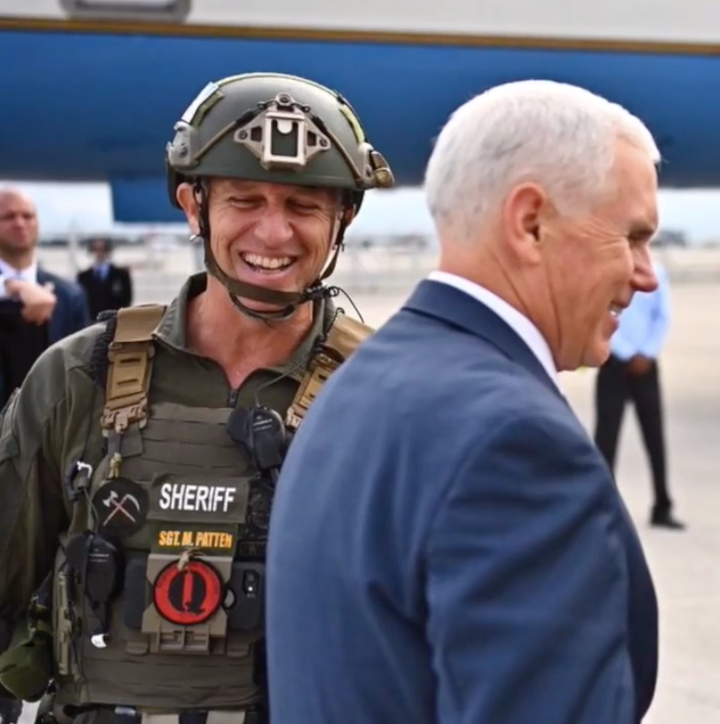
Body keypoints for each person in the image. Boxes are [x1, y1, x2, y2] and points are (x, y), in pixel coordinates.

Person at [0, 72, 393, 724]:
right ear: (193, 205)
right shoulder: (77, 376)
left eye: (304, 207)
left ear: (343, 217)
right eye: (245, 200)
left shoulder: (385, 393)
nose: (274, 234)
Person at [266, 80, 661, 724]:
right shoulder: (516, 444)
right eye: (633, 236)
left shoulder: (365, 382)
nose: (647, 274)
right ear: (530, 223)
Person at [594, 256, 684, 529]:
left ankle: (662, 506)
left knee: (654, 437)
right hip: (613, 360)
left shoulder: (655, 271)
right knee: (606, 438)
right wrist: (624, 352)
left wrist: (647, 352)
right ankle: (600, 508)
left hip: (646, 363)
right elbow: (599, 313)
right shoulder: (606, 268)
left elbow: (663, 315)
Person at [0, 189, 90, 404]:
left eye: (27, 216)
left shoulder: (69, 295)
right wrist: (10, 286)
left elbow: (83, 369)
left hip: (48, 424)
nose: (20, 223)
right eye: (8, 217)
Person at [76, 237, 133, 321]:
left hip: (114, 320)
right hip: (91, 321)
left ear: (107, 251)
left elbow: (127, 298)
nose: (99, 253)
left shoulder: (121, 275)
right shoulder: (84, 277)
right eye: (96, 249)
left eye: (102, 249)